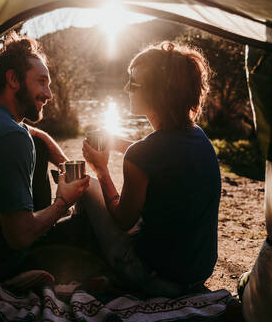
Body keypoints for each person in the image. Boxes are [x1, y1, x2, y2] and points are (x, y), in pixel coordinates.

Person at [0, 33, 90, 284]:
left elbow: (34, 133)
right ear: (13, 80)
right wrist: (63, 201)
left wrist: (64, 162)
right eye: (42, 82)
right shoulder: (11, 136)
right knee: (87, 228)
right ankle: (28, 281)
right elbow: (19, 237)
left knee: (38, 146)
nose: (49, 94)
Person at [81, 41, 221, 297]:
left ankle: (91, 265)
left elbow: (123, 220)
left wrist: (101, 170)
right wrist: (119, 142)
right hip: (196, 273)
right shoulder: (200, 138)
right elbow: (162, 156)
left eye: (133, 84)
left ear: (157, 93)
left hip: (155, 278)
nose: (126, 88)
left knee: (88, 186)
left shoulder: (142, 154)